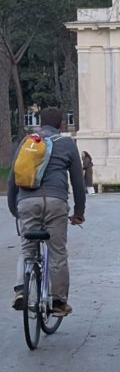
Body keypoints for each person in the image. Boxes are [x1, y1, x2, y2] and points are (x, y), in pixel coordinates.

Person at [8, 107, 86, 316]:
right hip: (55, 202)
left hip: (26, 202)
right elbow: (78, 183)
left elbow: (13, 179)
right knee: (57, 252)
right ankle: (58, 302)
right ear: (61, 125)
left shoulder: (26, 142)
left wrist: (15, 209)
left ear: (41, 123)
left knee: (27, 249)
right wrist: (79, 212)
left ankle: (21, 291)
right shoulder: (67, 144)